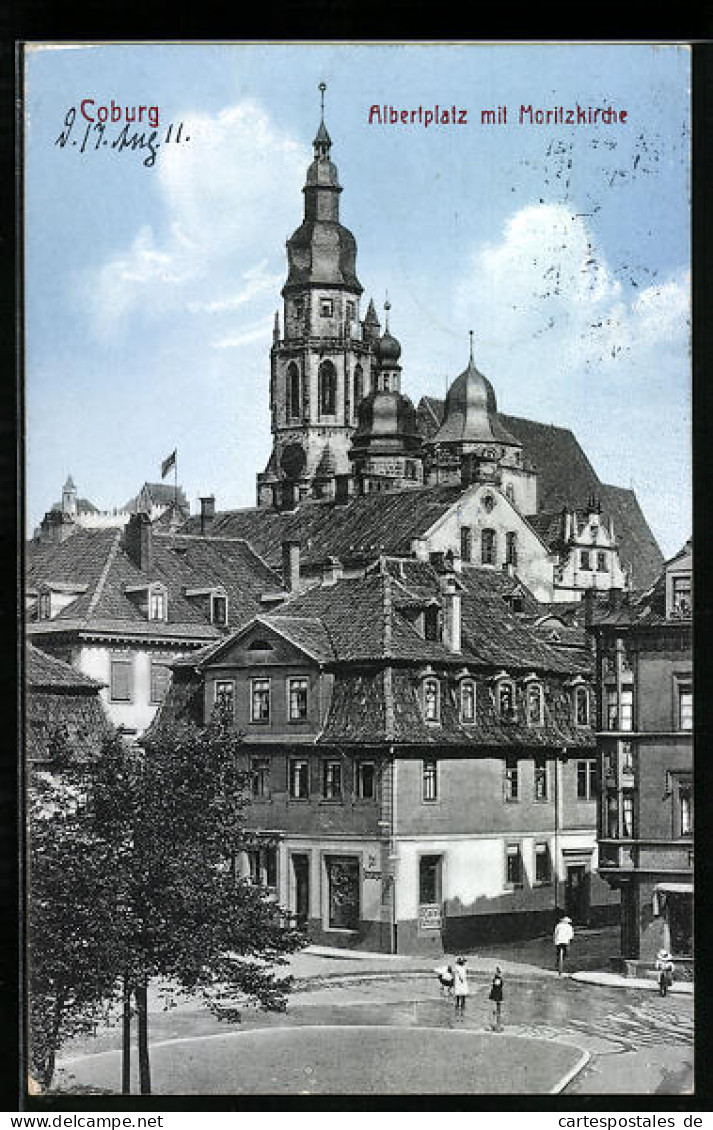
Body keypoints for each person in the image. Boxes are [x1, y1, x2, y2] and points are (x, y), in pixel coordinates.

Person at [489, 966, 504, 1030]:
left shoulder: (497, 979)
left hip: (496, 996)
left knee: (496, 1010)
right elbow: (497, 987)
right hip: (497, 996)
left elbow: (496, 986)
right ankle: (496, 1024)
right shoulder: (498, 979)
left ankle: (496, 1024)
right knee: (496, 1010)